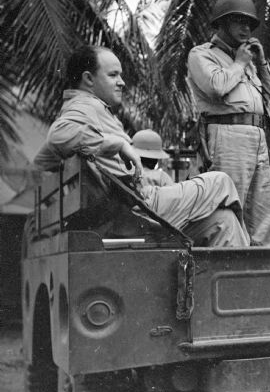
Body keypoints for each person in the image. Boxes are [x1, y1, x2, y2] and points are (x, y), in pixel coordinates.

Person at [34, 45, 249, 247]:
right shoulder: (83, 106)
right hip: (138, 210)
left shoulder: (86, 107)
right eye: (113, 75)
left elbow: (42, 160)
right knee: (221, 182)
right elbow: (58, 136)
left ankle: (239, 276)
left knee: (224, 221)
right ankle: (253, 263)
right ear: (88, 79)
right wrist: (115, 144)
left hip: (129, 211)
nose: (122, 82)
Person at [186, 0, 270, 246]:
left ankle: (261, 272)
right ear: (222, 23)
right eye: (238, 21)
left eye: (249, 23)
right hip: (227, 134)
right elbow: (215, 87)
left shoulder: (248, 60)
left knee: (262, 216)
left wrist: (261, 64)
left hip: (256, 134)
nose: (246, 27)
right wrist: (239, 63)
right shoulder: (202, 54)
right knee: (229, 207)